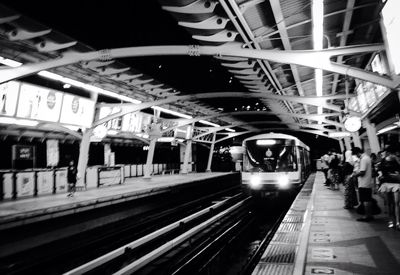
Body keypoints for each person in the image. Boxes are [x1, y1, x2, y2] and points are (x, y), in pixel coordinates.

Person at [378, 144, 400, 229]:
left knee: (396, 203)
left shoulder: (397, 160)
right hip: (386, 183)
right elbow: (380, 171)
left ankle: (398, 222)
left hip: (397, 183)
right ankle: (391, 220)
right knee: (390, 203)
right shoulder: (384, 160)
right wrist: (381, 175)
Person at [352, 147, 374, 222]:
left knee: (365, 200)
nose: (356, 156)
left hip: (364, 183)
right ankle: (369, 215)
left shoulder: (364, 159)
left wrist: (354, 175)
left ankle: (366, 216)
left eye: (355, 155)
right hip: (367, 182)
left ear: (358, 153)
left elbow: (362, 172)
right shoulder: (367, 157)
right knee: (368, 199)